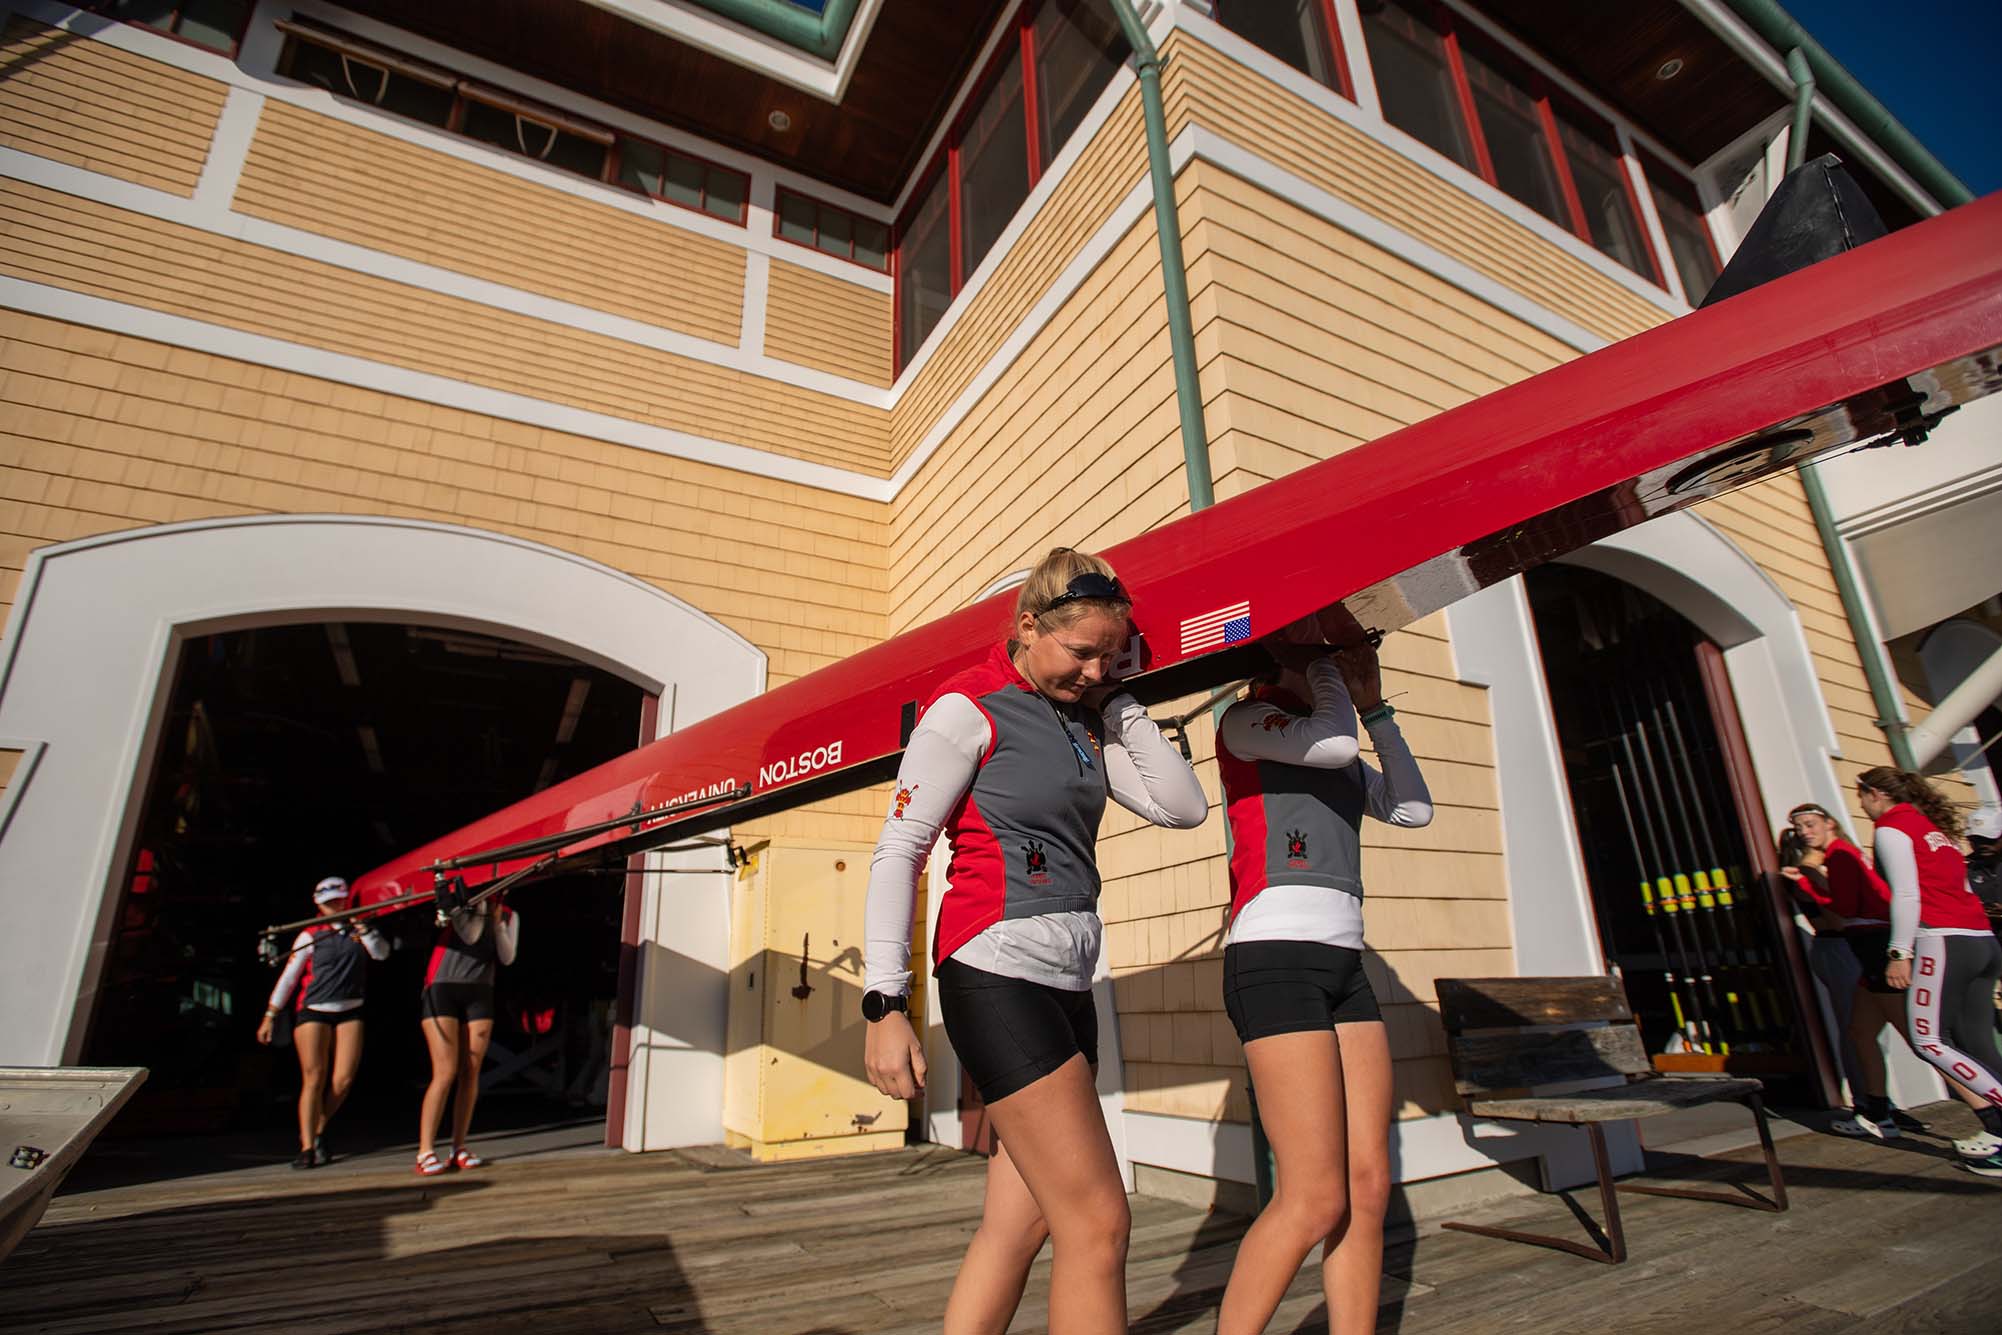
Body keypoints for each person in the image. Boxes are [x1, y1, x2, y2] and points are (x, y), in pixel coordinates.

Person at [861, 547, 1208, 1335]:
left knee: (1020, 1223)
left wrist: (1120, 704)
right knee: (1099, 1221)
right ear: (1026, 626)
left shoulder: (1084, 720)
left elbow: (1183, 806)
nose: (1092, 669)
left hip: (1068, 982)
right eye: (1080, 651)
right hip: (996, 970)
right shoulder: (967, 706)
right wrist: (886, 1001)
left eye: (1109, 656)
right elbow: (900, 851)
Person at [1210, 622, 1433, 1335]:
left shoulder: (1335, 739)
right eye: (1328, 658)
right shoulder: (1247, 720)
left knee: (1366, 1187)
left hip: (1343, 964)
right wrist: (1326, 666)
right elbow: (1330, 741)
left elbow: (1412, 807)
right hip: (1273, 959)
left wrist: (1378, 711)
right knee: (1311, 1198)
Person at [1857, 767, 2002, 1176]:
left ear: (1875, 794)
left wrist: (1899, 951)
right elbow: (1965, 888)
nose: (1862, 806)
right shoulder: (1932, 829)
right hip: (1981, 940)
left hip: (1942, 939)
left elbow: (1906, 894)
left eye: (1862, 797)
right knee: (1976, 1040)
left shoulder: (1892, 827)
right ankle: (1997, 1133)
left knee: (1927, 1040)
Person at [1779, 803, 1923, 1137]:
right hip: (1839, 946)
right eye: (1800, 828)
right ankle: (1867, 1104)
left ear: (1830, 823)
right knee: (1858, 1029)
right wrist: (1815, 879)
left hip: (1867, 946)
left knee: (1876, 1031)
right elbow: (1835, 918)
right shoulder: (1803, 872)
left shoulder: (1844, 856)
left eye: (1811, 824)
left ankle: (1879, 1105)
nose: (1805, 832)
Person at [256, 876, 387, 1169]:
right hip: (314, 1007)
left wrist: (363, 928)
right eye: (329, 903)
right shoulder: (311, 934)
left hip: (351, 1007)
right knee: (314, 1077)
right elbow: (289, 976)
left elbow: (380, 954)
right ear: (320, 905)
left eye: (338, 900)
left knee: (342, 1080)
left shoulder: (357, 931)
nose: (335, 906)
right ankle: (307, 1146)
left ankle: (318, 1129)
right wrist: (271, 1014)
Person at [415, 895, 520, 1176]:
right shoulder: (461, 904)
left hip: (480, 989)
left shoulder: (509, 914)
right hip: (443, 986)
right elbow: (470, 934)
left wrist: (498, 924)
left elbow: (507, 957)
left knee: (471, 1070)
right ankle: (425, 1149)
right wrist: (482, 907)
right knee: (445, 1071)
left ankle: (458, 1146)